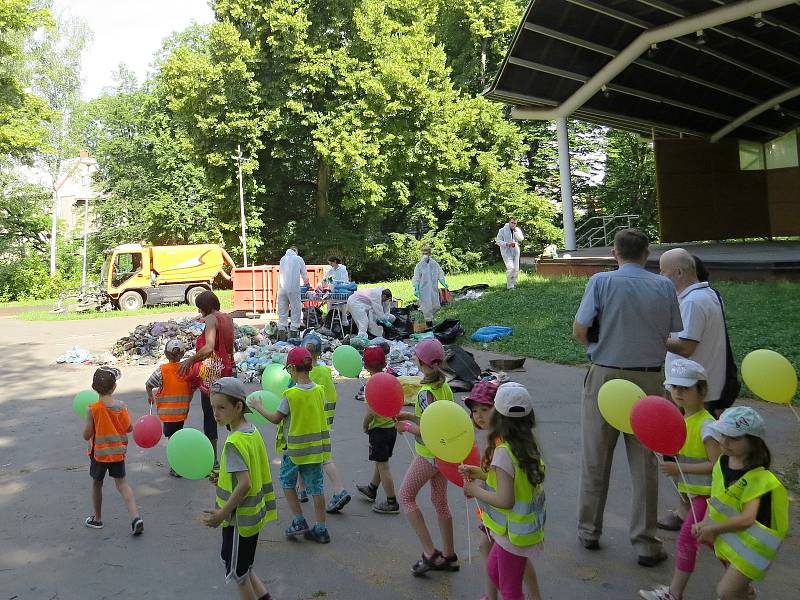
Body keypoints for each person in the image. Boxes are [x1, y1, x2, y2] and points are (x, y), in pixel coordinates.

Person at [572, 228, 682, 566]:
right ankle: (645, 542)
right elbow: (670, 332)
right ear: (647, 253)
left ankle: (589, 530)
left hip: (605, 376)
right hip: (649, 381)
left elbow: (580, 328)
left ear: (614, 253)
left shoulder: (601, 282)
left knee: (596, 456)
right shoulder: (664, 285)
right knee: (645, 464)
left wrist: (596, 348)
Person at [639, 359, 721, 600]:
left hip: (710, 497)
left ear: (702, 391)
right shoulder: (681, 421)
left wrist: (678, 468)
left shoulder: (707, 426)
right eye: (674, 387)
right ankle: (740, 586)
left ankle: (674, 594)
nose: (678, 393)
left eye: (685, 388)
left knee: (688, 540)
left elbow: (716, 466)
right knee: (716, 544)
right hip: (694, 497)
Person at [693, 407, 788, 600]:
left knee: (725, 592)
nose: (724, 442)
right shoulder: (722, 463)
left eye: (734, 437)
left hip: (753, 548)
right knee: (737, 592)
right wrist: (705, 522)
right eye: (722, 434)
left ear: (753, 442)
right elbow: (717, 498)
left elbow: (747, 519)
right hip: (731, 540)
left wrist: (714, 529)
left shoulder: (759, 478)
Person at [460, 383, 545, 600]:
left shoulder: (503, 452)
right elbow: (509, 482)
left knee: (510, 590)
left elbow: (505, 499)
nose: (478, 415)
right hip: (519, 530)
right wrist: (480, 474)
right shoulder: (525, 444)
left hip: (512, 533)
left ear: (498, 415)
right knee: (493, 570)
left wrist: (473, 489)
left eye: (486, 409)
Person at [203, 377, 277, 600]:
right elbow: (244, 473)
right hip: (253, 517)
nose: (216, 413)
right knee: (245, 567)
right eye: (213, 407)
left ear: (238, 406)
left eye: (222, 407)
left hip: (238, 520)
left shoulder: (234, 442)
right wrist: (223, 477)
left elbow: (245, 484)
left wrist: (221, 515)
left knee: (238, 574)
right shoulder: (251, 432)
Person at [250, 347, 331, 543]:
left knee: (287, 483)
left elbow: (276, 418)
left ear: (293, 368)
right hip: (316, 450)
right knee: (317, 488)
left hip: (294, 451)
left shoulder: (290, 394)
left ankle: (298, 520)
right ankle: (321, 528)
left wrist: (259, 407)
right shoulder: (319, 391)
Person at [394, 338, 459, 576]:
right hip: (444, 455)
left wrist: (406, 427)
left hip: (428, 455)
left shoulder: (424, 393)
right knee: (440, 502)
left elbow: (429, 430)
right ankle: (450, 555)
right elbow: (439, 419)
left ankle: (430, 552)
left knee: (406, 496)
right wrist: (409, 416)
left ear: (420, 362)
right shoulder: (445, 386)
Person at [660, 248, 727, 415]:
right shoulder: (709, 294)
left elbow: (686, 347)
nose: (660, 276)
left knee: (691, 437)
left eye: (663, 271)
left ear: (679, 272)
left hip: (690, 390)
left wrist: (654, 338)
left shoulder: (692, 302)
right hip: (695, 388)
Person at [83, 367, 143, 535]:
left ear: (94, 387)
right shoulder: (121, 406)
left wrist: (90, 423)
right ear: (114, 387)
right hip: (118, 453)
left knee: (97, 484)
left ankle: (98, 518)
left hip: (99, 455)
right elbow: (129, 428)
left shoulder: (93, 409)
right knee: (122, 484)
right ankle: (135, 517)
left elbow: (86, 434)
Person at [180, 290, 234, 471]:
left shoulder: (211, 319)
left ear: (205, 307)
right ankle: (239, 453)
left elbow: (209, 347)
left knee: (210, 415)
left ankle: (213, 460)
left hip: (213, 373)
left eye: (199, 308)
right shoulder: (227, 318)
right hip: (228, 369)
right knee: (231, 412)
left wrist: (190, 360)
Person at [302, 335, 351, 514]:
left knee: (299, 456)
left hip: (308, 425)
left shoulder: (305, 375)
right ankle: (304, 491)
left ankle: (338, 490)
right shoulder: (324, 372)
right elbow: (331, 397)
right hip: (324, 423)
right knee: (324, 457)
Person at [356, 346, 400, 514]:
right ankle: (372, 488)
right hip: (391, 428)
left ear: (366, 367)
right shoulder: (390, 380)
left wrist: (365, 425)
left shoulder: (371, 386)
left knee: (384, 466)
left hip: (379, 431)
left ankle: (391, 501)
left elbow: (372, 412)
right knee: (381, 462)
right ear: (385, 362)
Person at [145, 339, 193, 477]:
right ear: (183, 353)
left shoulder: (162, 371)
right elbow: (193, 385)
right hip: (182, 413)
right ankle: (179, 464)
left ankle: (176, 467)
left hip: (167, 415)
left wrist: (150, 396)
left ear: (166, 354)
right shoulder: (187, 369)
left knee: (173, 441)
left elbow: (148, 384)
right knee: (177, 438)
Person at [277, 246, 309, 339]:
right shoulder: (298, 259)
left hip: (282, 289)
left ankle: (281, 334)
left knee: (282, 311)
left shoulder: (282, 259)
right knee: (295, 310)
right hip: (293, 289)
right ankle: (293, 334)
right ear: (296, 251)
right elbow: (304, 274)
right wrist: (307, 284)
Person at [412, 246, 447, 328]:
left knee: (436, 306)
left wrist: (443, 282)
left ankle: (423, 311)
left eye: (426, 253)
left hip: (433, 288)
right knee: (427, 307)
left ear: (430, 253)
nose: (425, 255)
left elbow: (440, 273)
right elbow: (416, 277)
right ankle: (429, 324)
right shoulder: (419, 265)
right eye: (423, 253)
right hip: (423, 290)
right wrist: (416, 289)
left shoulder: (434, 264)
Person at [496, 217, 525, 290]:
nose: (513, 224)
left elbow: (521, 239)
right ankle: (510, 286)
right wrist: (507, 244)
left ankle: (514, 282)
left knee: (516, 268)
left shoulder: (517, 229)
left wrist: (515, 231)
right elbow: (498, 241)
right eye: (512, 222)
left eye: (515, 223)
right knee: (511, 268)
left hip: (515, 250)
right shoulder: (502, 230)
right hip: (506, 251)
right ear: (509, 222)